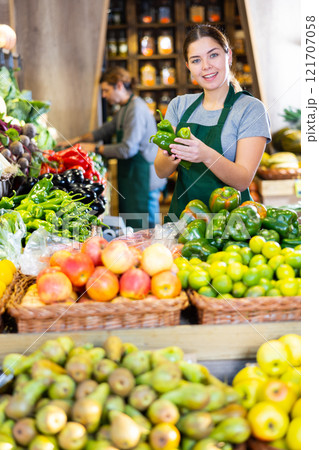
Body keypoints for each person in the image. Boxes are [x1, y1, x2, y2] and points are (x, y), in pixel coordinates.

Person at [154, 24, 271, 221]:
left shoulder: (250, 109)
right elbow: (161, 171)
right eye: (196, 60)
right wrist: (170, 153)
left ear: (229, 56)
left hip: (233, 227)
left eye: (213, 55)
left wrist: (205, 154)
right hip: (183, 223)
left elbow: (242, 180)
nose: (206, 66)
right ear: (188, 66)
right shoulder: (179, 106)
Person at [60, 66, 166, 229]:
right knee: (134, 227)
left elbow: (127, 149)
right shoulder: (125, 108)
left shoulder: (136, 109)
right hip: (134, 176)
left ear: (119, 85)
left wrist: (94, 149)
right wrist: (76, 140)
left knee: (148, 229)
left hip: (144, 178)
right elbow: (105, 130)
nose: (104, 95)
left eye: (106, 90)